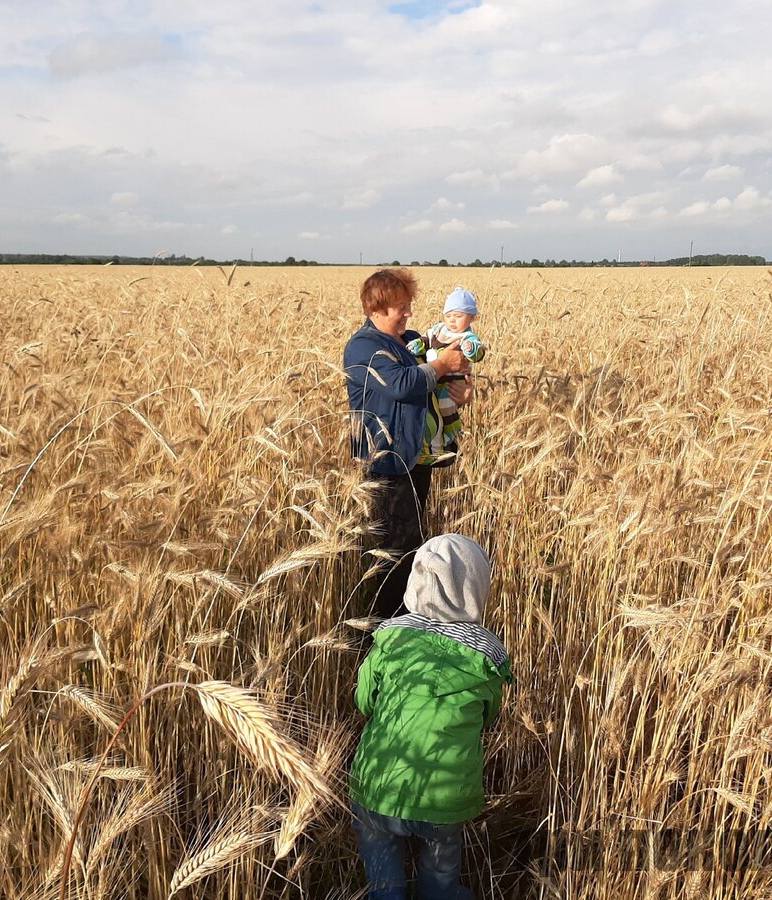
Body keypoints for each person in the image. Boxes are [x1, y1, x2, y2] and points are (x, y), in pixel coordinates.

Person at [349, 534, 513, 900]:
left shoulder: (389, 641)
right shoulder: (486, 658)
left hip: (378, 787)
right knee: (441, 867)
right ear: (477, 588)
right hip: (446, 798)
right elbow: (488, 719)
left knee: (382, 866)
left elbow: (365, 701)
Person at [343, 268, 472, 619]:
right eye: (401, 306)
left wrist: (459, 392)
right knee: (393, 552)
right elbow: (401, 384)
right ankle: (382, 629)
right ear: (376, 310)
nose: (409, 313)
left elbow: (433, 382)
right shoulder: (363, 346)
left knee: (410, 545)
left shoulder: (412, 339)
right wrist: (442, 366)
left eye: (408, 305)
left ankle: (401, 624)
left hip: (416, 458)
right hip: (387, 461)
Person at [405, 287, 485, 466]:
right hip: (433, 380)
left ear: (471, 318)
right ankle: (437, 440)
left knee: (446, 408)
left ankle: (450, 433)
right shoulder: (438, 330)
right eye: (448, 316)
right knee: (433, 410)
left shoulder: (468, 337)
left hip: (450, 384)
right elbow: (426, 338)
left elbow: (478, 353)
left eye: (458, 316)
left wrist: (471, 350)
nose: (452, 321)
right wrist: (418, 344)